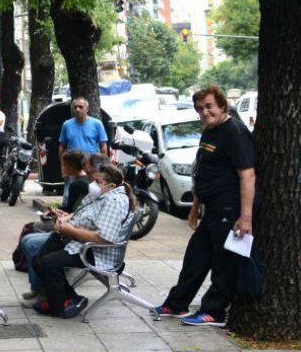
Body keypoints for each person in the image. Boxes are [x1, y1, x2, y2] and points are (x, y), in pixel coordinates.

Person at [155, 85, 256, 328]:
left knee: (223, 263)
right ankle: (177, 303)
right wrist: (194, 206)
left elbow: (247, 175)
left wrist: (246, 216)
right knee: (195, 258)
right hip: (211, 209)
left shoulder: (235, 132)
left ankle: (214, 311)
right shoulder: (210, 131)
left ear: (222, 105)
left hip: (229, 209)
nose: (205, 112)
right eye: (200, 109)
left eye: (209, 106)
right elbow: (202, 171)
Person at [30, 163, 134, 318]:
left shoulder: (114, 202)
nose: (93, 185)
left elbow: (104, 239)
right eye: (93, 180)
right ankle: (67, 298)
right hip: (80, 241)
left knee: (48, 263)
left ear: (111, 185)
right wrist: (65, 217)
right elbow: (84, 213)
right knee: (38, 260)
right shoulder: (100, 195)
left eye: (98, 182)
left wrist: (70, 230)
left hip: (96, 251)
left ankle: (58, 306)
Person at [19, 150, 91, 307]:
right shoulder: (82, 184)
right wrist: (60, 213)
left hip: (74, 235)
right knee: (28, 238)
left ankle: (44, 292)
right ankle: (38, 288)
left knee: (32, 242)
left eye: (64, 164)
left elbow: (77, 216)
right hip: (70, 226)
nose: (62, 167)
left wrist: (62, 217)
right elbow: (75, 211)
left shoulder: (81, 184)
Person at [58, 98, 109, 175]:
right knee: (73, 186)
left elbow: (103, 146)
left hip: (92, 164)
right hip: (73, 165)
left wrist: (103, 165)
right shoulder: (67, 125)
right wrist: (63, 166)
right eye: (75, 107)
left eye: (80, 107)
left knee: (92, 186)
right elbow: (62, 147)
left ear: (87, 109)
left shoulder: (97, 124)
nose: (77, 109)